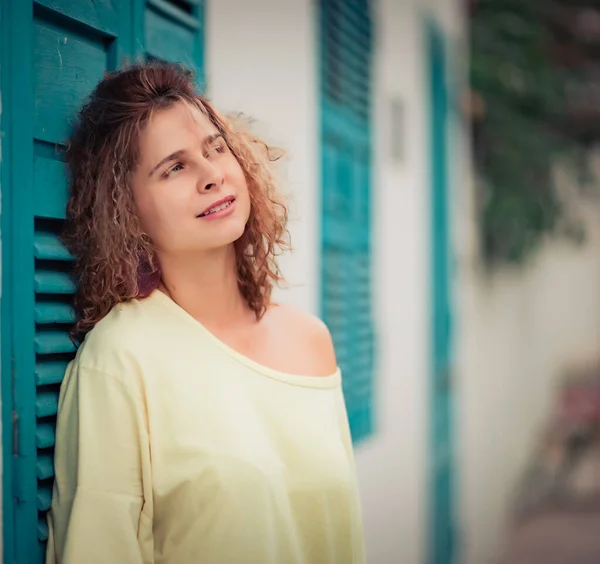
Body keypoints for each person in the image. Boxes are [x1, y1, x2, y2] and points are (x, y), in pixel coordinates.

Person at [46, 62, 365, 564]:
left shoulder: (310, 340)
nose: (212, 176)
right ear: (125, 208)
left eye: (216, 149)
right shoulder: (121, 360)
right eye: (174, 167)